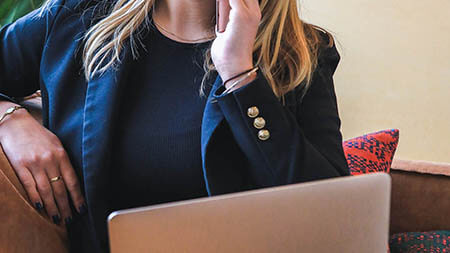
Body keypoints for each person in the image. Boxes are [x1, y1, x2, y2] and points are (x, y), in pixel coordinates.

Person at [0, 0, 350, 252]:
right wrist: (9, 119)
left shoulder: (303, 53)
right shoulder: (74, 17)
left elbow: (335, 218)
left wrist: (240, 76)